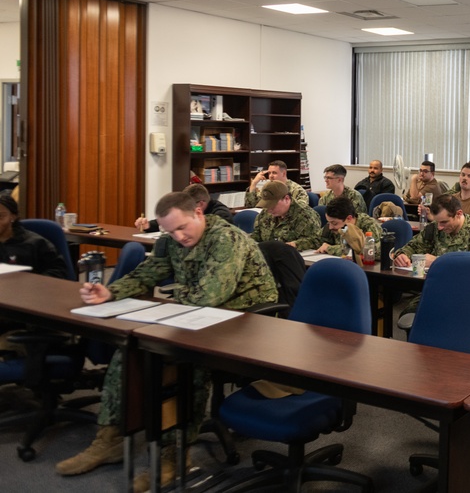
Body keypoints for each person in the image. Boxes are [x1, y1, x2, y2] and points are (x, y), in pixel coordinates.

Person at [56, 192, 278, 486]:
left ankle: (175, 455)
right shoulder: (172, 238)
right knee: (131, 349)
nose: (178, 236)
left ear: (199, 212)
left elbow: (209, 296)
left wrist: (170, 304)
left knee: (185, 363)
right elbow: (149, 272)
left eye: (182, 227)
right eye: (170, 231)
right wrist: (111, 291)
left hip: (249, 323)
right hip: (199, 319)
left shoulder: (226, 239)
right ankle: (109, 438)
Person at [393, 194, 470, 270]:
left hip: (464, 288)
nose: (440, 227)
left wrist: (437, 261)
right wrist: (403, 255)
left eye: (444, 222)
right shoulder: (434, 227)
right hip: (433, 282)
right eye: (437, 222)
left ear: (458, 214)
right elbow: (413, 246)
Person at [0, 191, 68, 278]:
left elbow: (59, 271)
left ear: (13, 217)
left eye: (0, 216)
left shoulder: (36, 243)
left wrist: (33, 283)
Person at [249, 181, 321, 249]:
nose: (269, 210)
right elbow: (256, 234)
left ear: (286, 199)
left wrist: (294, 245)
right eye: (266, 205)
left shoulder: (305, 216)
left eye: (272, 205)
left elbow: (315, 241)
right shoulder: (265, 213)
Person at [135, 183, 232, 232]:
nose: (186, 208)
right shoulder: (188, 210)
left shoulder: (221, 213)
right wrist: (149, 225)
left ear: (201, 204)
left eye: (189, 205)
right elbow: (173, 219)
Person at [316, 196, 382, 257]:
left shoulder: (369, 225)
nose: (330, 227)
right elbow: (315, 241)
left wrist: (330, 249)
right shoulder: (332, 226)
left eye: (334, 223)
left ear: (349, 218)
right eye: (329, 222)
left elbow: (367, 250)